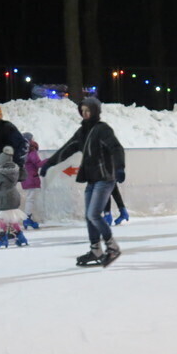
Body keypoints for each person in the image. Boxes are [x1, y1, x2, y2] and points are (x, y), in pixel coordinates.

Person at [40, 96, 125, 267]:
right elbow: (67, 148)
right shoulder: (82, 132)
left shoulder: (102, 129)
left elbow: (116, 148)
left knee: (93, 214)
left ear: (95, 111)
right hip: (92, 179)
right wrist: (49, 163)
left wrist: (119, 168)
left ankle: (112, 247)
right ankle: (96, 250)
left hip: (105, 178)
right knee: (89, 216)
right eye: (83, 111)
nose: (85, 114)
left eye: (88, 111)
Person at [0, 146, 28, 248]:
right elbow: (24, 177)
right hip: (14, 196)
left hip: (4, 197)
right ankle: (21, 237)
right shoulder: (16, 169)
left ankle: (3, 238)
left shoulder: (1, 172)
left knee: (2, 219)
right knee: (12, 219)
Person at [20, 132, 47, 229]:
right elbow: (38, 164)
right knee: (30, 199)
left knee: (29, 199)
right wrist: (49, 160)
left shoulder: (22, 152)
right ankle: (27, 218)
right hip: (32, 178)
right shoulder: (32, 152)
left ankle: (28, 218)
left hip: (25, 178)